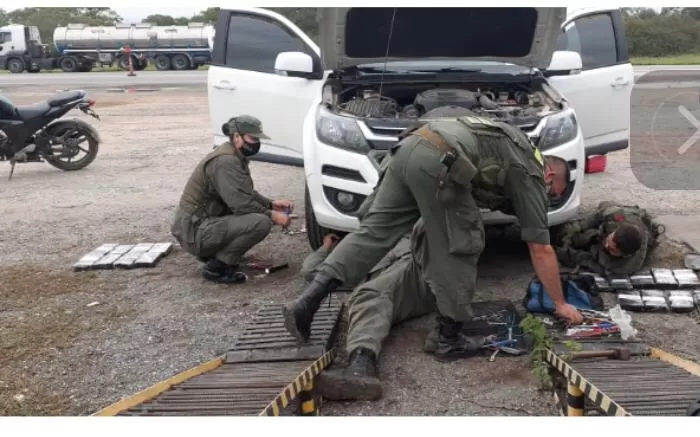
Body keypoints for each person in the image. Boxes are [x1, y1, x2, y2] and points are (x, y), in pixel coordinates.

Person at [283, 115, 583, 363]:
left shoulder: (510, 140)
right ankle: (448, 338)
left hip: (409, 148)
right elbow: (540, 247)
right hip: (440, 162)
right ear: (550, 174)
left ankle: (309, 300)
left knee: (372, 233)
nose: (548, 199)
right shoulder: (530, 169)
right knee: (462, 240)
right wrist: (559, 303)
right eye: (552, 193)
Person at [301, 220, 466, 400]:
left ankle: (360, 367)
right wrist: (326, 247)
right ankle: (361, 366)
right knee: (371, 295)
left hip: (419, 269)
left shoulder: (402, 233)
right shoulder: (356, 254)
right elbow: (311, 271)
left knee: (370, 293)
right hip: (394, 289)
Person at [171, 115, 293, 284]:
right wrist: (272, 215)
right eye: (252, 138)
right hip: (195, 232)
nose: (256, 143)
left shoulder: (231, 155)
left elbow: (244, 192)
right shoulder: (226, 161)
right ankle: (217, 267)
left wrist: (271, 203)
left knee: (258, 216)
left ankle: (214, 254)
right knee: (260, 222)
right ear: (237, 137)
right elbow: (241, 204)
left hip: (198, 226)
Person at [551, 201, 662, 275]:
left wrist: (556, 252)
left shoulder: (621, 267)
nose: (606, 245)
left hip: (607, 256)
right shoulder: (618, 216)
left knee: (582, 246)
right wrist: (578, 227)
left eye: (612, 249)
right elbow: (598, 216)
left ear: (624, 255)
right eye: (609, 240)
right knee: (574, 231)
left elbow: (585, 259)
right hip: (612, 223)